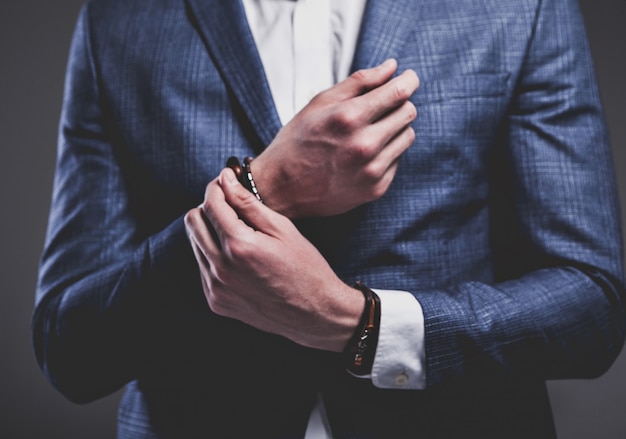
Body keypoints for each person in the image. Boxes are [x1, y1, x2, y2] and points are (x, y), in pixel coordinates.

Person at [33, 0, 625, 437]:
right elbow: (69, 349)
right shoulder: (119, 21)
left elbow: (593, 304)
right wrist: (269, 188)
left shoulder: (521, 7)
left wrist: (362, 327)